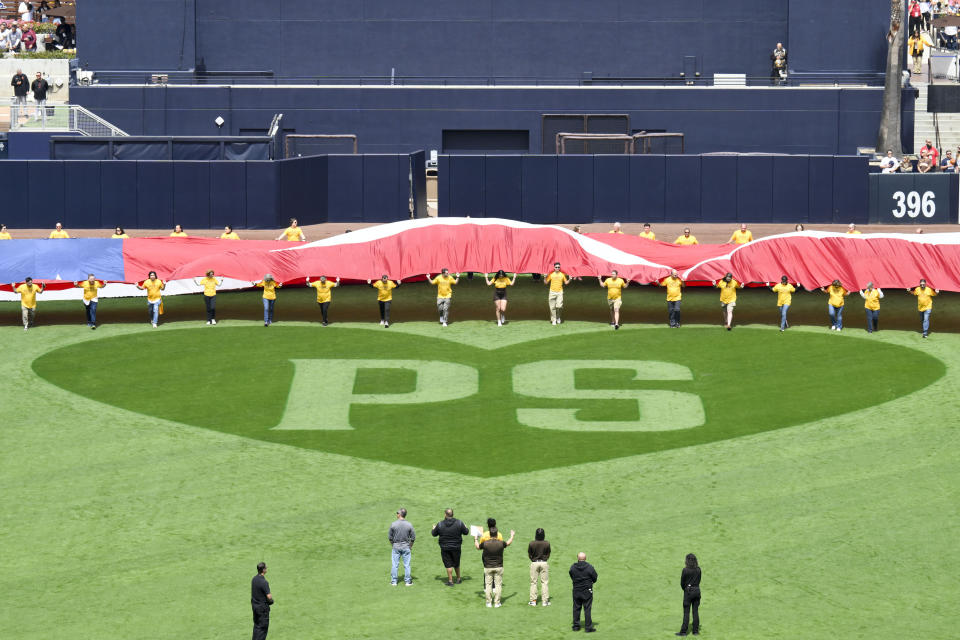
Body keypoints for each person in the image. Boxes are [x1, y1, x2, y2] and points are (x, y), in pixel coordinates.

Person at [475, 526, 515, 608]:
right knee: (498, 585)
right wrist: (512, 536)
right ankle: (497, 603)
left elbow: (478, 547)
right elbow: (508, 543)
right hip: (499, 567)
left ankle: (488, 602)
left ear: (489, 534)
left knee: (488, 585)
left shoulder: (485, 543)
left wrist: (475, 539)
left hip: (488, 567)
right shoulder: (501, 543)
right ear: (497, 534)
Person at [431, 508, 469, 586]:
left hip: (445, 548)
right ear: (453, 514)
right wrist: (465, 527)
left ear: (445, 514)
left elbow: (434, 534)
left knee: (448, 564)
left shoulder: (440, 524)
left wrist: (433, 528)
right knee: (457, 563)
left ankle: (450, 581)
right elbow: (466, 532)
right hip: (456, 547)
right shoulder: (459, 523)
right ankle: (458, 579)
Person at [569, 552, 598, 633]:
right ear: (585, 558)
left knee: (576, 608)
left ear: (578, 558)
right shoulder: (589, 567)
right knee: (587, 609)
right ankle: (588, 627)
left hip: (576, 590)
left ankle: (576, 626)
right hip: (587, 591)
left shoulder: (573, 567)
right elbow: (595, 578)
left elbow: (571, 575)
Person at [677, 553, 702, 637]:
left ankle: (683, 632)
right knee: (695, 612)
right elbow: (699, 581)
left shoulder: (685, 570)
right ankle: (695, 631)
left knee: (686, 612)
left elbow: (682, 583)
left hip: (688, 592)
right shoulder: (698, 570)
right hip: (697, 591)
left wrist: (686, 589)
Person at [389, 508, 415, 586]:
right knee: (407, 565)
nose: (396, 514)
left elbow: (390, 537)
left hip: (396, 547)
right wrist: (410, 546)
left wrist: (392, 545)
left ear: (400, 514)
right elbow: (413, 537)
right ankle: (408, 582)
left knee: (394, 565)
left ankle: (394, 582)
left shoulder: (393, 524)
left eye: (397, 513)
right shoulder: (409, 524)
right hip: (406, 547)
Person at [528, 528, 551, 607]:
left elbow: (529, 554)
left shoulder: (531, 543)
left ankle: (533, 601)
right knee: (544, 582)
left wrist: (533, 560)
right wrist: (545, 559)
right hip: (544, 563)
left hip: (534, 563)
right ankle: (545, 601)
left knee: (533, 582)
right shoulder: (547, 543)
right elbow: (548, 553)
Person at [251, 562, 274, 640]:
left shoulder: (254, 579)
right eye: (266, 568)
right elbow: (269, 597)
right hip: (262, 611)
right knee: (262, 631)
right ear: (263, 570)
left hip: (255, 609)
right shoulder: (264, 582)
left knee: (257, 628)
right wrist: (271, 601)